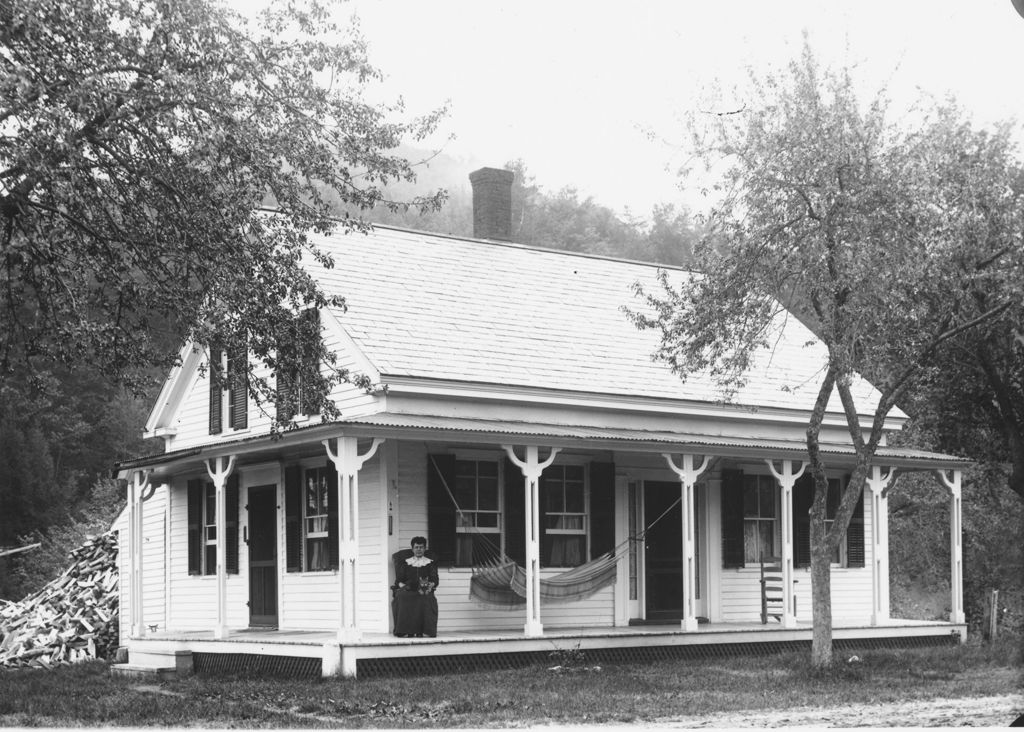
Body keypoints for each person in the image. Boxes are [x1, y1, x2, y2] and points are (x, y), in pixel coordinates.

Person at [392, 536, 439, 638]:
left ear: (425, 549)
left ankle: (420, 630)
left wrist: (431, 585)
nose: (419, 549)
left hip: (423, 588)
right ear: (412, 549)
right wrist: (402, 586)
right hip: (408, 588)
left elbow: (435, 580)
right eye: (416, 547)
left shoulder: (430, 563)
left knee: (426, 598)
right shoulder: (406, 563)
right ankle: (404, 630)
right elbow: (399, 580)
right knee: (402, 597)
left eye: (421, 547)